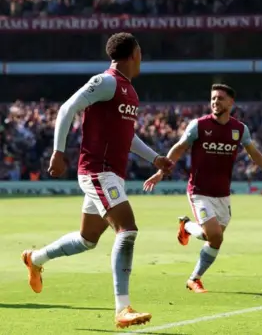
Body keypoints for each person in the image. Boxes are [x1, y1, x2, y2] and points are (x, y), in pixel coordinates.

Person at [21, 33, 174, 329]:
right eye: (141, 52)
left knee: (87, 239)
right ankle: (122, 308)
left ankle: (35, 258)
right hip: (97, 170)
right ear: (135, 53)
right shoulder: (106, 82)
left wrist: (155, 158)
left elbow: (126, 136)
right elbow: (68, 108)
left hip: (110, 173)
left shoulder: (130, 91)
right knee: (127, 230)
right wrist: (58, 151)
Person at [143, 83, 262, 293]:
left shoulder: (239, 129)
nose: (215, 102)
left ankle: (186, 228)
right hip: (199, 191)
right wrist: (161, 172)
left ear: (231, 103)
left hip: (222, 194)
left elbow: (254, 153)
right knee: (215, 236)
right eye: (213, 98)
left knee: (211, 239)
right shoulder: (199, 125)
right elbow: (179, 148)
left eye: (221, 98)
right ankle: (195, 279)